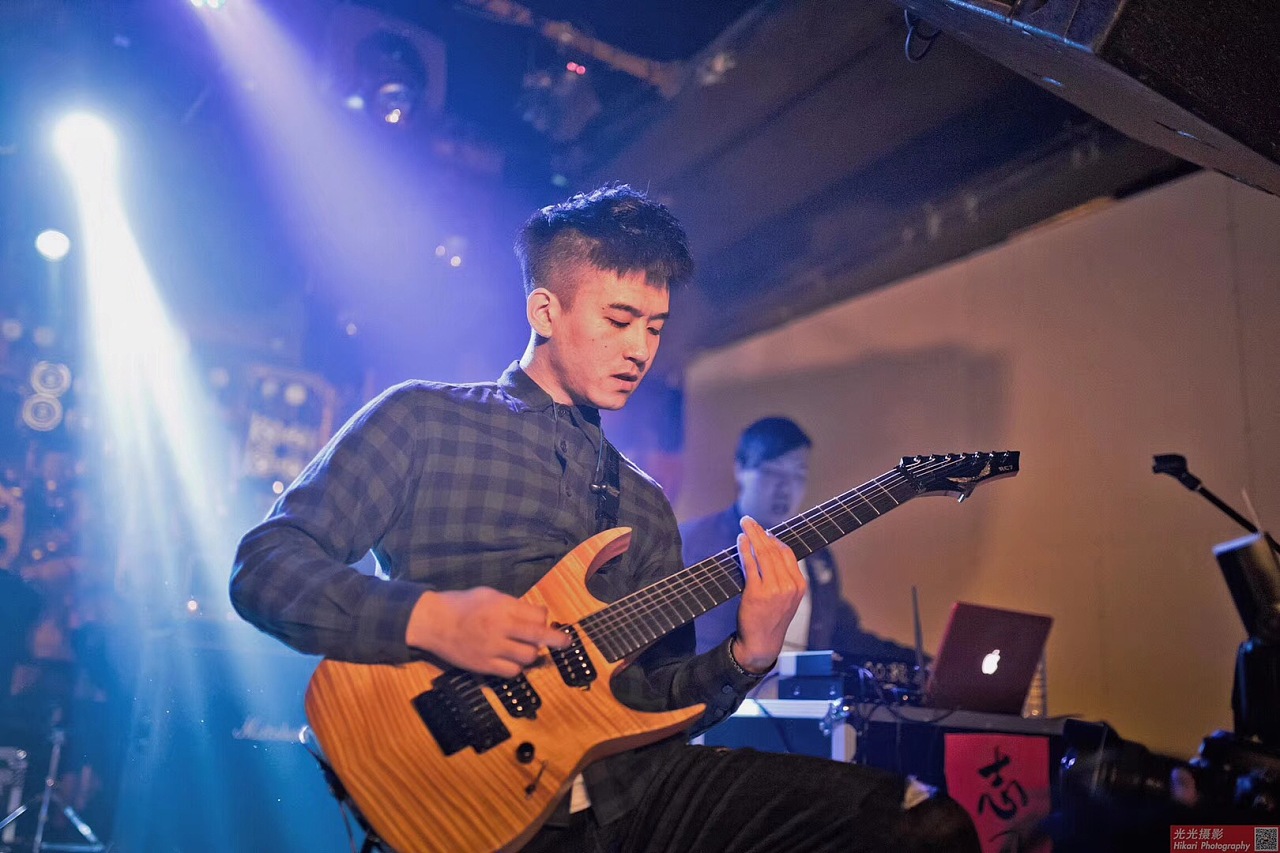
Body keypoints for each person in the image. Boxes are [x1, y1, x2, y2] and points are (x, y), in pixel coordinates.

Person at [230, 184, 978, 852]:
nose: (640, 349)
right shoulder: (422, 420)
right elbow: (265, 567)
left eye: (654, 327)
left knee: (920, 824)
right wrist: (429, 619)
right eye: (619, 320)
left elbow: (652, 700)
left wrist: (748, 654)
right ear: (545, 311)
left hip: (631, 798)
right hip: (468, 794)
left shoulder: (644, 503)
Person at [682, 417, 924, 667]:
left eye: (798, 475)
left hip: (796, 691)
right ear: (740, 469)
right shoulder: (691, 543)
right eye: (772, 472)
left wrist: (923, 663)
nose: (785, 488)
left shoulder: (817, 556)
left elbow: (842, 635)